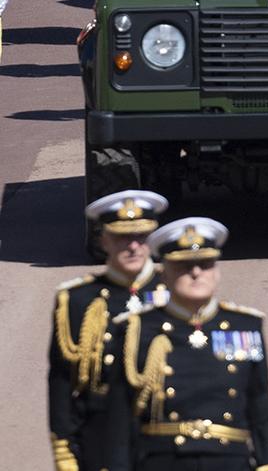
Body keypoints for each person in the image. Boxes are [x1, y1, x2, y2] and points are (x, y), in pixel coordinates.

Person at [111, 216, 268, 470]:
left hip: (229, 461)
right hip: (164, 460)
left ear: (216, 272)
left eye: (205, 264)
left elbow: (260, 403)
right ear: (165, 274)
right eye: (183, 266)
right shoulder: (136, 329)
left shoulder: (244, 326)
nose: (195, 273)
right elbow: (118, 414)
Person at [48, 189, 168, 471]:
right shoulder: (78, 300)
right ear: (104, 241)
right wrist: (64, 447)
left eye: (141, 237)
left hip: (165, 433)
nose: (133, 246)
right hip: (99, 438)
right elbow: (62, 380)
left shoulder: (175, 293)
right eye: (122, 237)